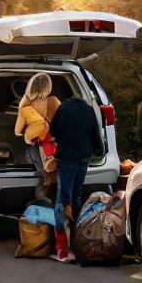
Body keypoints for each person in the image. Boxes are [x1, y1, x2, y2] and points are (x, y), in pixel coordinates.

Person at [47, 96, 105, 263]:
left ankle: (62, 250)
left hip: (67, 158)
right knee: (76, 197)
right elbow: (96, 132)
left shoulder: (63, 108)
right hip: (84, 156)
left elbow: (54, 131)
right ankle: (77, 244)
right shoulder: (88, 109)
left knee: (62, 201)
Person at [14, 74, 60, 200]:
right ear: (48, 86)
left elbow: (17, 131)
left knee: (42, 171)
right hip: (57, 144)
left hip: (40, 145)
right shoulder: (54, 101)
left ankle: (43, 199)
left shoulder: (26, 106)